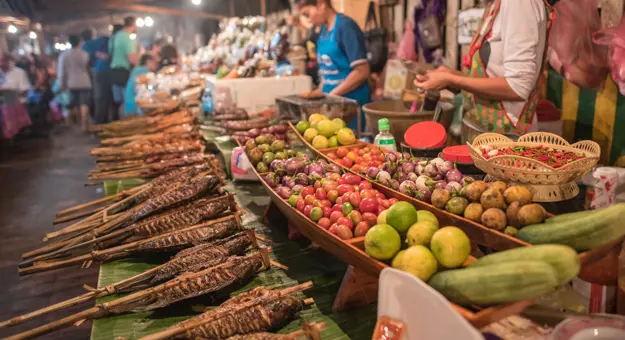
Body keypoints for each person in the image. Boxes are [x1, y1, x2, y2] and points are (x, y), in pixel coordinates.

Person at [414, 0, 553, 142]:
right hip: (483, 135)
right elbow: (492, 76)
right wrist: (450, 75)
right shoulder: (495, 5)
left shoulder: (519, 4)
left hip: (507, 142)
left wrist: (452, 79)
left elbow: (518, 87)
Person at [299, 0, 371, 130]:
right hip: (332, 107)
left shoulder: (346, 27)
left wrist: (332, 95)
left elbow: (362, 71)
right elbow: (329, 71)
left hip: (350, 107)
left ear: (321, 4)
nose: (308, 19)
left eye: (307, 13)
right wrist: (318, 93)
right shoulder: (324, 30)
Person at [83, 25, 119, 124]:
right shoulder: (104, 40)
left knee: (109, 99)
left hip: (107, 72)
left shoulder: (110, 41)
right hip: (103, 73)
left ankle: (108, 123)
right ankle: (100, 125)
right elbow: (85, 46)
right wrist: (98, 54)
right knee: (102, 99)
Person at [59, 34, 92, 132]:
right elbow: (88, 68)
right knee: (84, 103)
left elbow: (62, 72)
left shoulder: (64, 55)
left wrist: (62, 85)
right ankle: (84, 124)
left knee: (73, 104)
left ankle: (71, 123)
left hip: (71, 82)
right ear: (79, 42)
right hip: (84, 81)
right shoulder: (84, 54)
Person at [109, 16, 138, 114]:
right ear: (133, 25)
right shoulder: (127, 37)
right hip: (123, 73)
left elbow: (110, 54)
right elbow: (133, 60)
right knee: (127, 100)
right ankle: (126, 123)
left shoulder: (114, 37)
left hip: (113, 72)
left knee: (118, 102)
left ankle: (118, 124)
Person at [0, 54, 32, 140]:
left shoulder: (19, 72)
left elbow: (25, 91)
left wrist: (12, 94)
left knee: (5, 112)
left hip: (19, 102)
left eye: (2, 61)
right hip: (4, 103)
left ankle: (11, 137)